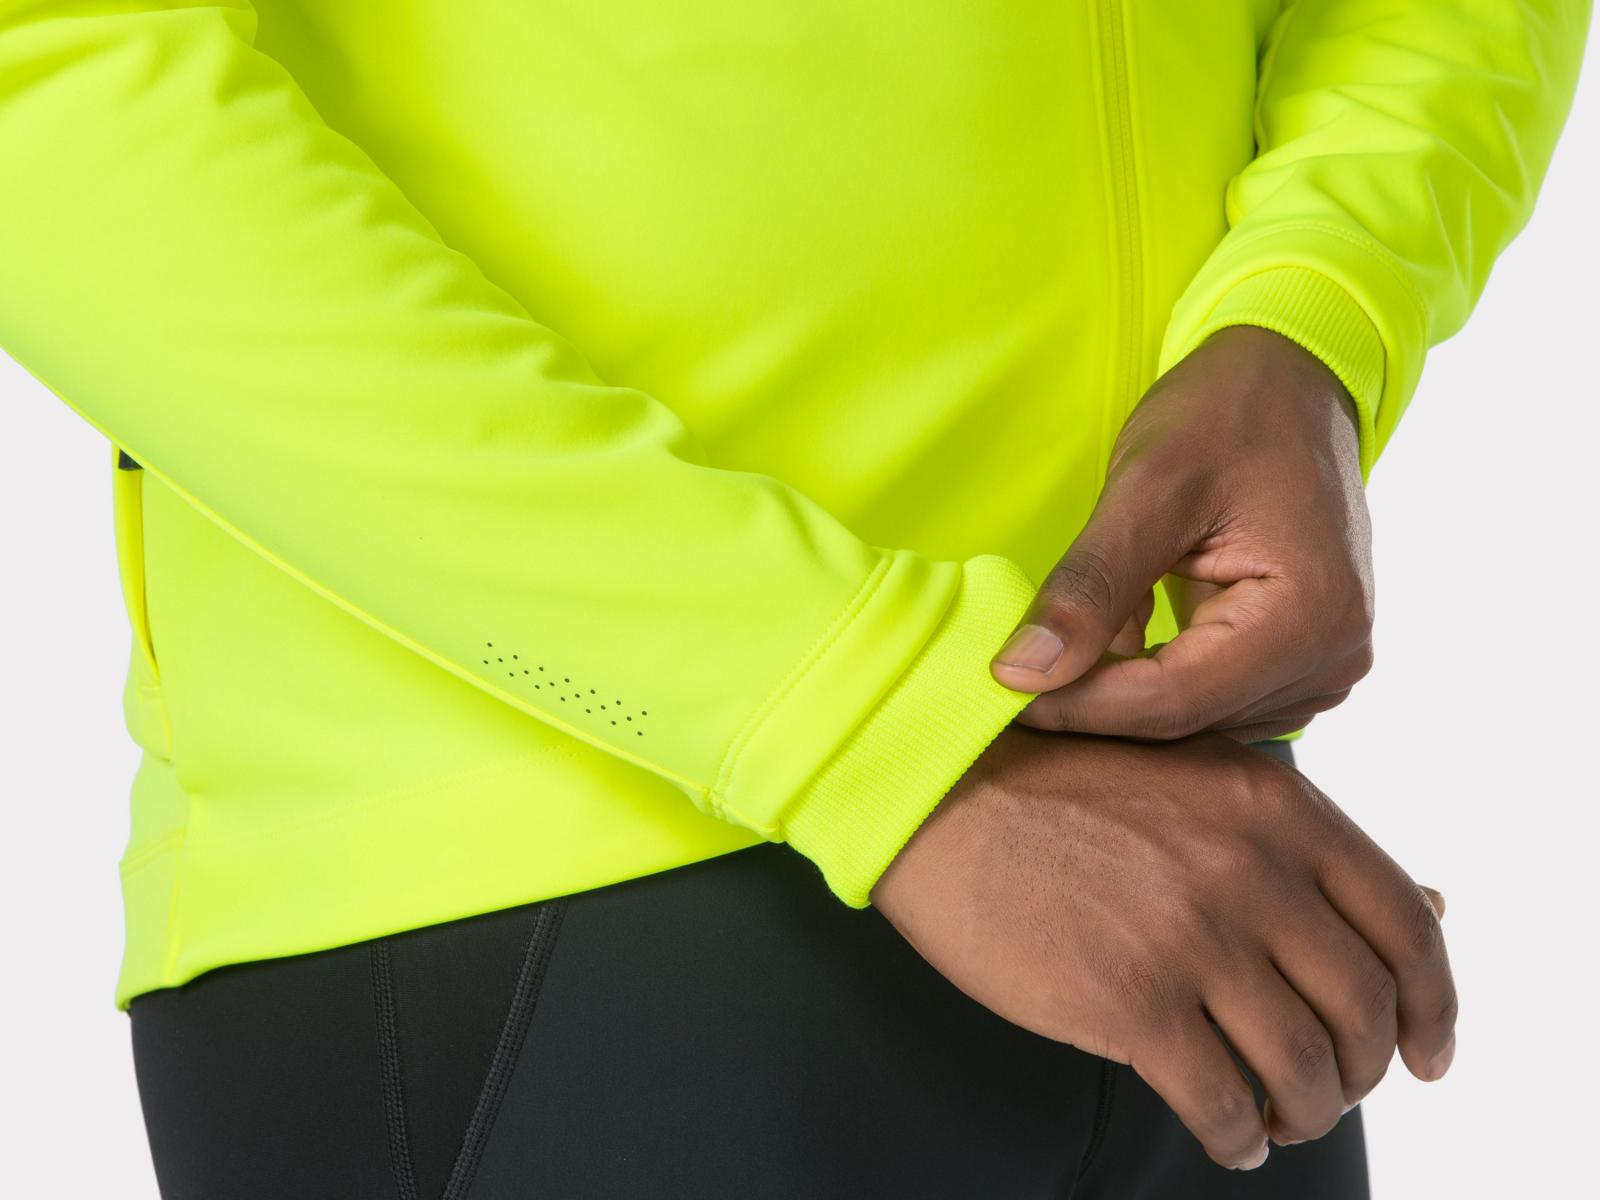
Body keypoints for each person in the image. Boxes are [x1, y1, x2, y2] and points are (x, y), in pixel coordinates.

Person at [1, 1, 1587, 1196]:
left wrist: (1310, 314)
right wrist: (852, 705)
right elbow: (51, 87)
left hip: (1176, 863)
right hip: (552, 849)